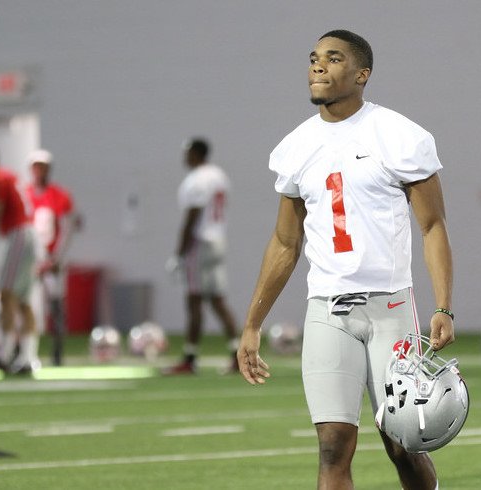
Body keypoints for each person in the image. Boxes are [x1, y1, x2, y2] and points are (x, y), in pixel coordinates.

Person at [237, 30, 454, 489]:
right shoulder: (296, 146)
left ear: (362, 74)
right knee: (333, 444)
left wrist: (442, 305)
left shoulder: (398, 135)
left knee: (402, 443)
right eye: (314, 58)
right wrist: (253, 323)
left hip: (390, 308)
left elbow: (433, 226)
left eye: (333, 59)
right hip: (327, 311)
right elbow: (283, 243)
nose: (318, 66)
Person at [165, 138, 239, 375]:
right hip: (218, 239)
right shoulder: (219, 175)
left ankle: (189, 357)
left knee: (194, 299)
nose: (184, 157)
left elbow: (192, 217)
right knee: (217, 300)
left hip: (201, 242)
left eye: (187, 152)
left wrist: (179, 253)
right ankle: (238, 353)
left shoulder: (196, 180)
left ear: (197, 153)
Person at [0, 145, 40, 374]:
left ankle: (7, 355)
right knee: (22, 299)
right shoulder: (9, 177)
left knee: (7, 295)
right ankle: (27, 357)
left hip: (18, 236)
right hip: (27, 235)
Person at [24, 149, 78, 366]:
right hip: (30, 258)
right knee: (23, 304)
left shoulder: (60, 194)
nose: (39, 171)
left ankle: (57, 352)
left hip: (52, 256)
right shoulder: (24, 193)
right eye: (36, 166)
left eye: (43, 166)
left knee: (56, 305)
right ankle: (24, 350)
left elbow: (67, 227)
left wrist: (57, 257)